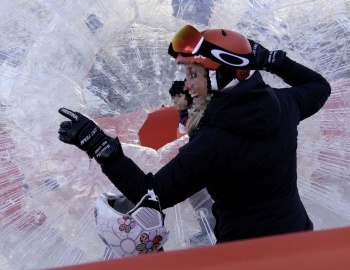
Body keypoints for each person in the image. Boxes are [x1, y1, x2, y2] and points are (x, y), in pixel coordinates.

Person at [58, 24, 331, 244]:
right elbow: (319, 86)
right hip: (300, 239)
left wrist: (101, 147)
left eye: (194, 74)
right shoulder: (285, 104)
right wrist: (273, 61)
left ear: (222, 76)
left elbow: (150, 195)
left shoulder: (214, 142)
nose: (187, 85)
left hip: (245, 254)